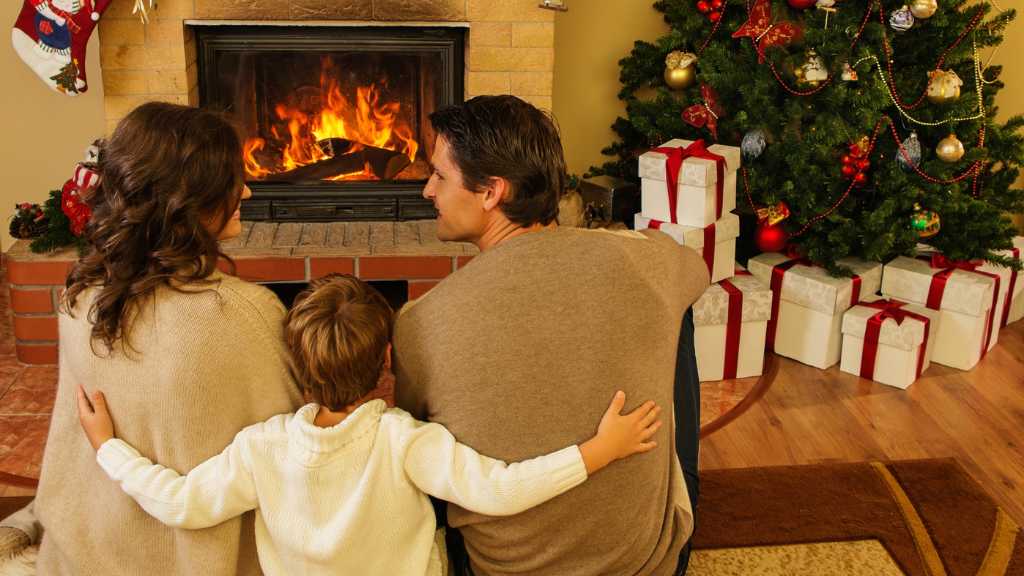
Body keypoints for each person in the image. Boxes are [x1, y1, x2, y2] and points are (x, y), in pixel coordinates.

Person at [75, 274, 664, 576]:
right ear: (386, 359)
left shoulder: (261, 447)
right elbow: (499, 490)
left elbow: (181, 503)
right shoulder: (404, 440)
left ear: (295, 366)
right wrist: (600, 450)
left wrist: (108, 448)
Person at [392, 95, 710, 575]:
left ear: (491, 192)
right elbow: (697, 269)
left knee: (423, 442)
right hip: (646, 564)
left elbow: (413, 448)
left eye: (439, 175)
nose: (427, 191)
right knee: (675, 311)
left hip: (499, 569)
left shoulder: (419, 322)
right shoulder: (646, 260)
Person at [0, 102, 304, 575]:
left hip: (89, 546)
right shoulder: (245, 314)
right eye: (232, 180)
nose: (246, 189)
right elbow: (292, 447)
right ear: (190, 198)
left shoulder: (81, 299)